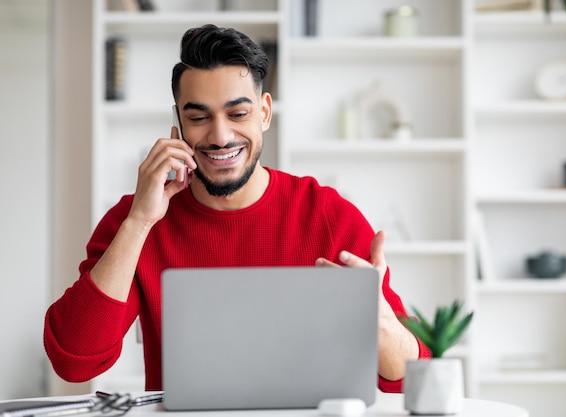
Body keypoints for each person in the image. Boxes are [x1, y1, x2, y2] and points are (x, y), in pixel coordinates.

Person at [44, 24, 430, 394]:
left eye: (238, 113)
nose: (220, 136)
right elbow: (76, 361)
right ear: (178, 122)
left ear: (264, 112)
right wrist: (140, 222)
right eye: (198, 117)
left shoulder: (327, 213)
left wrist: (380, 326)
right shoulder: (136, 219)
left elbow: (409, 379)